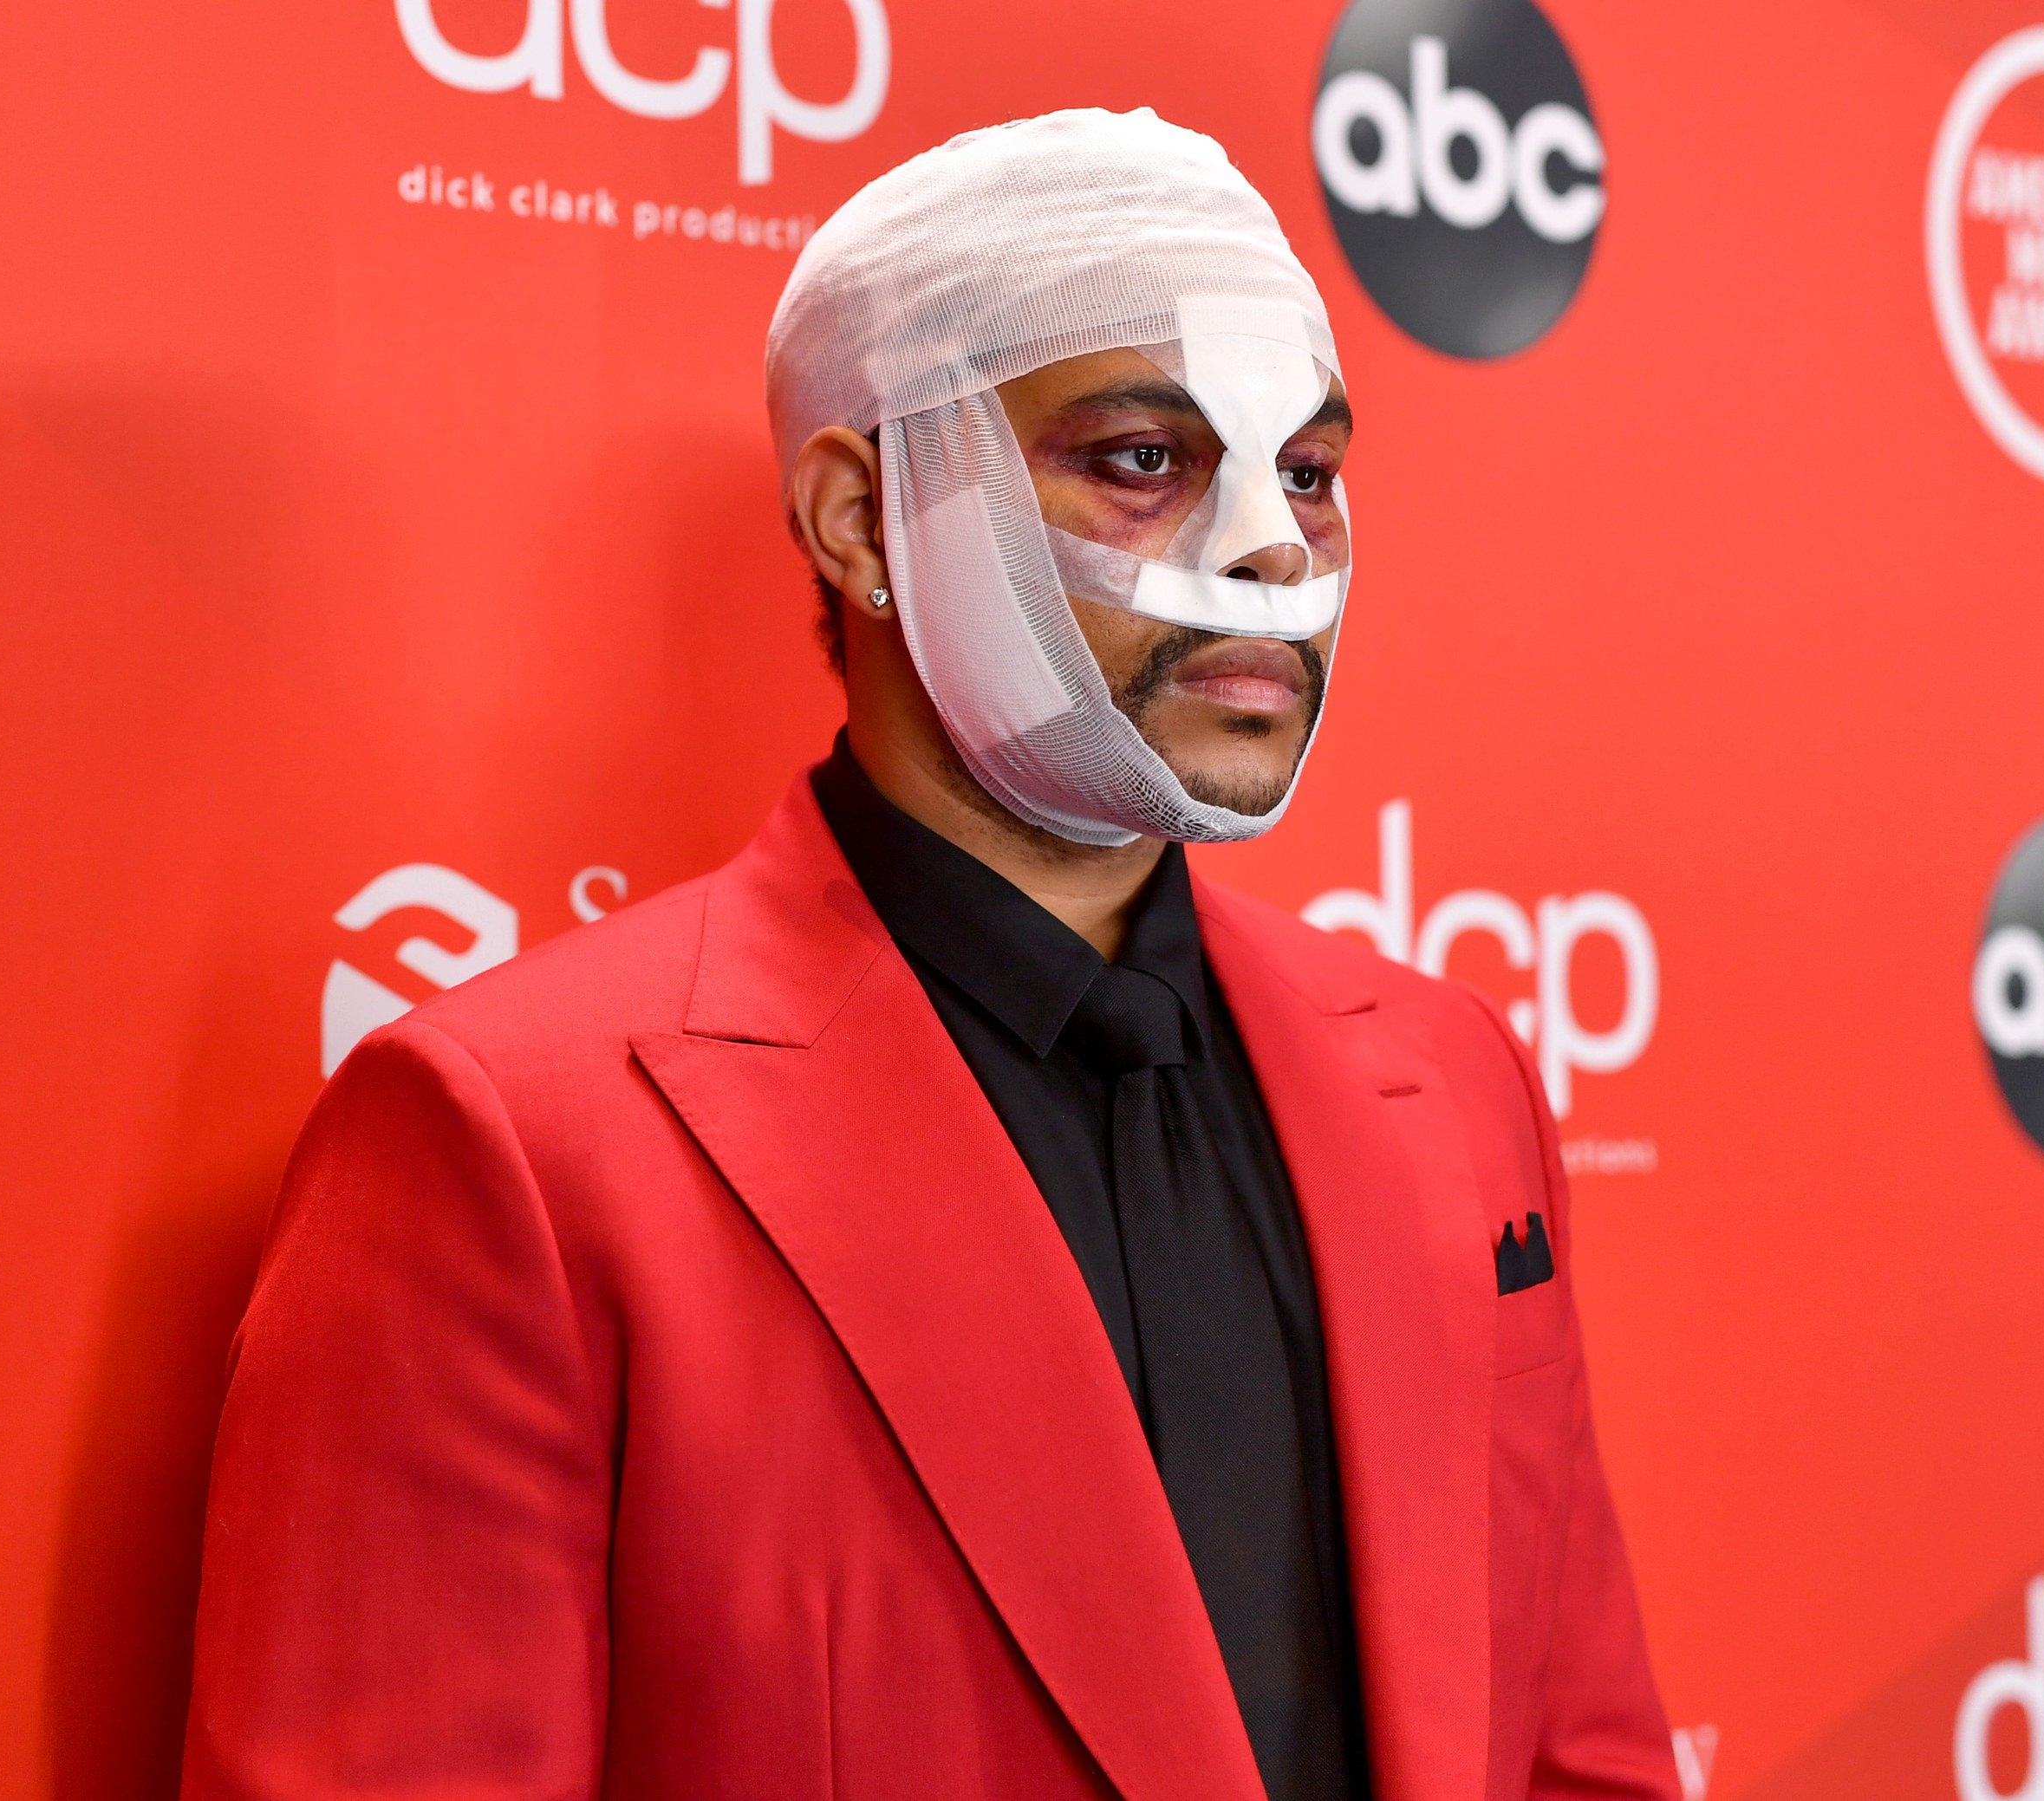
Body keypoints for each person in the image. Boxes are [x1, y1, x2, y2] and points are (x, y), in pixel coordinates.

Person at [186, 108, 1678, 1801]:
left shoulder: (1451, 1076)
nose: (1273, 548)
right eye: (1143, 456)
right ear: (857, 517)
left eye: (1312, 472)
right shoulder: (516, 1149)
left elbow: (1576, 1750)